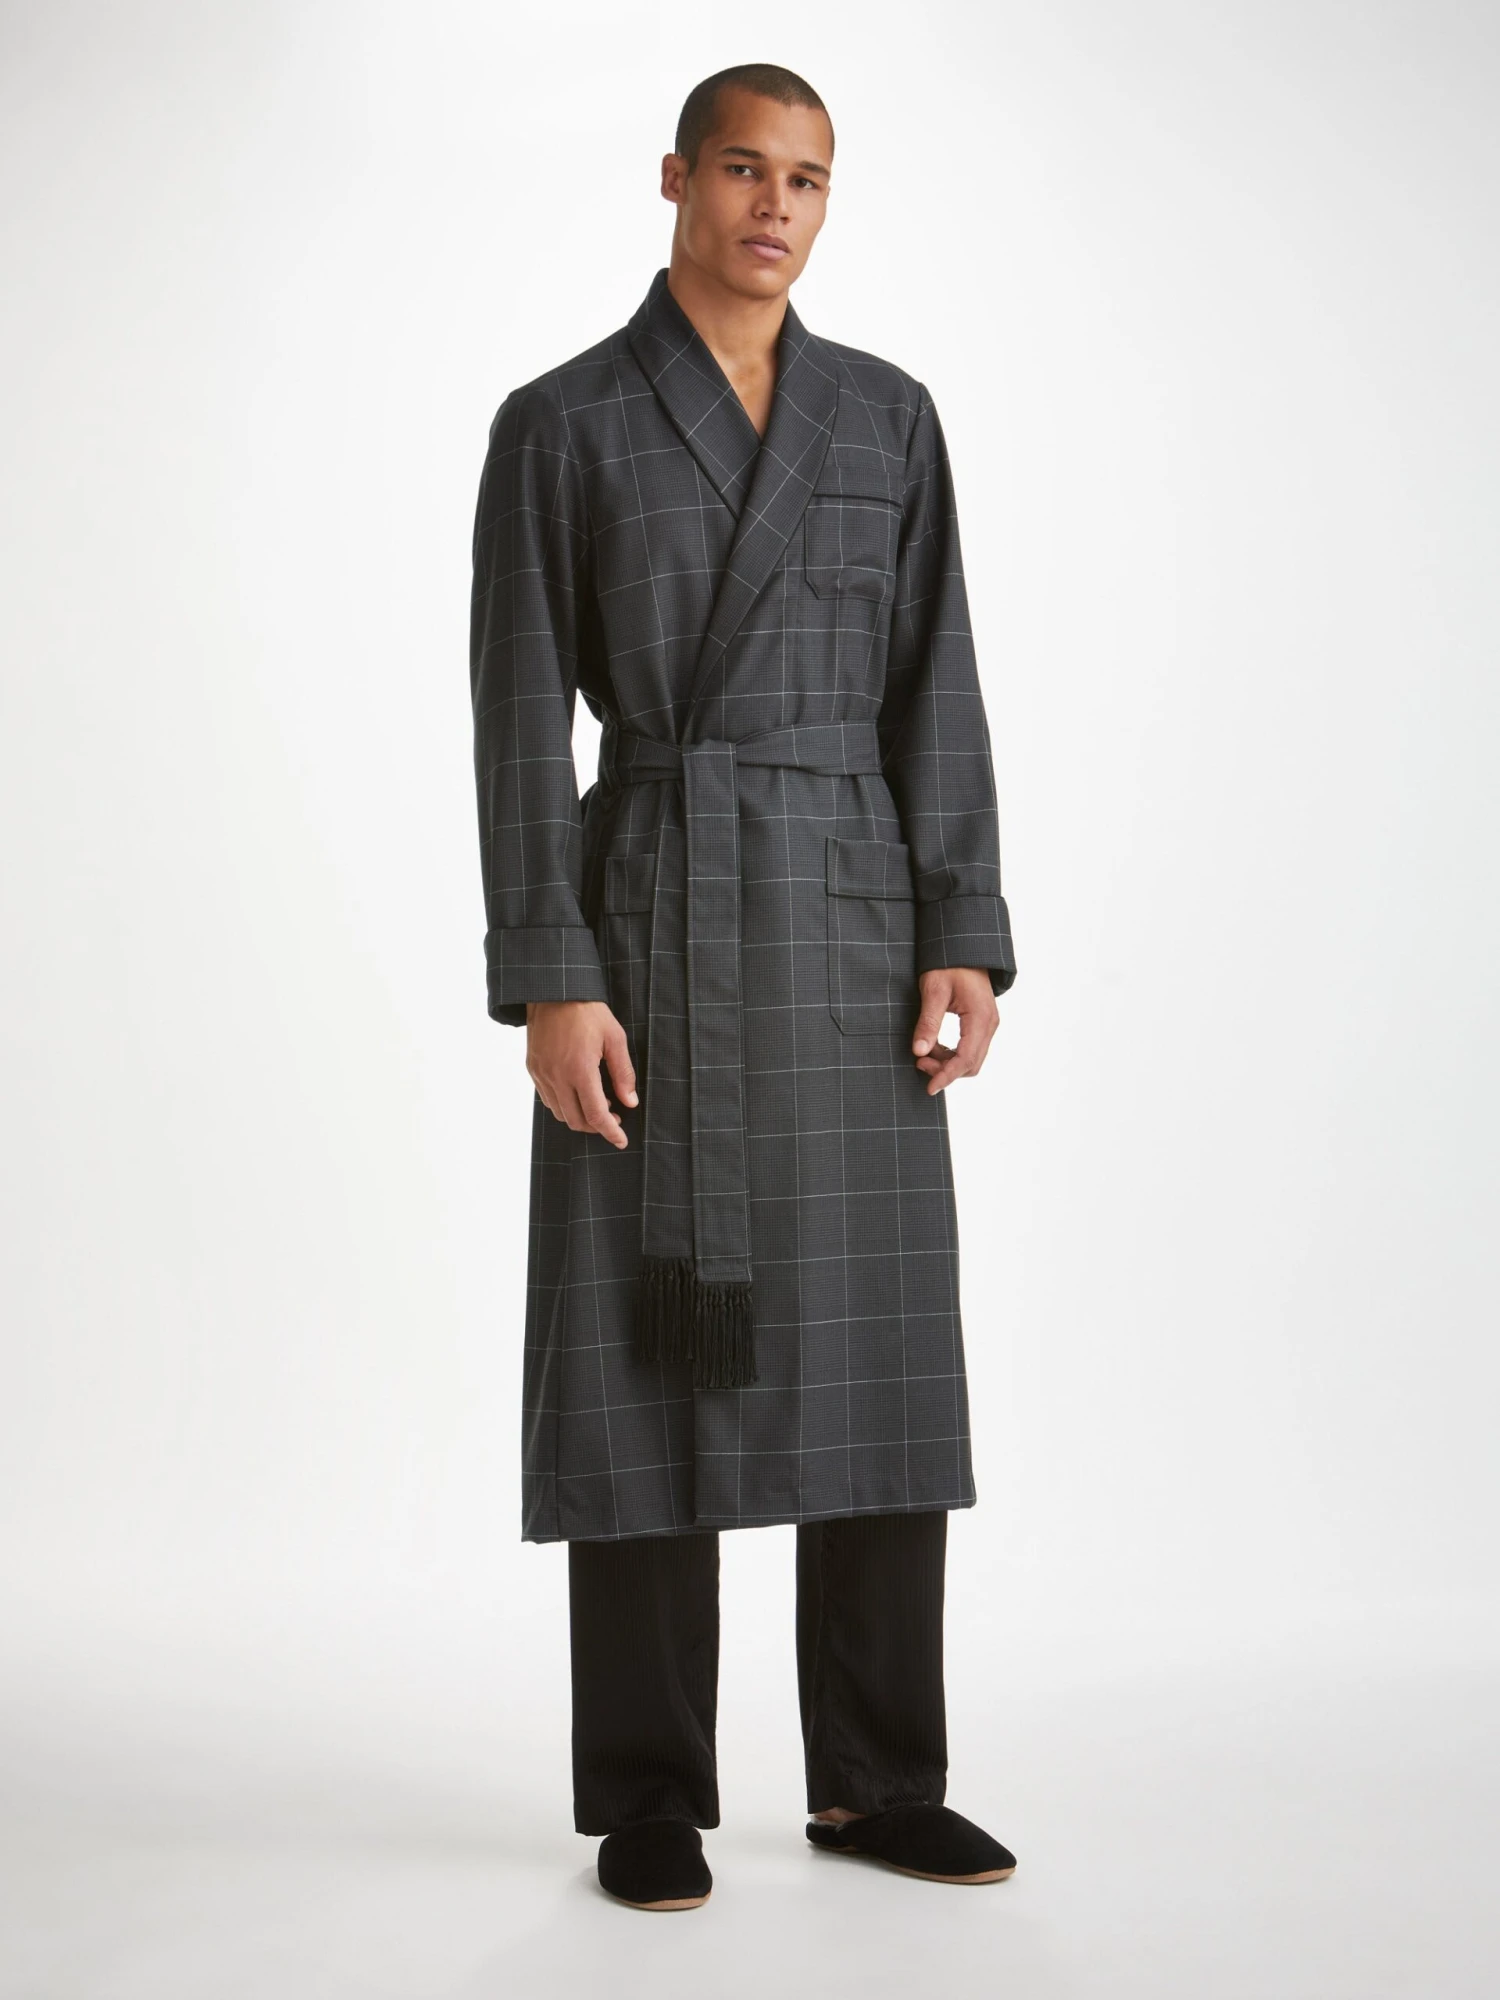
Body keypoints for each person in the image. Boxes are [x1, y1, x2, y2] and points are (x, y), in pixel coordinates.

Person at [468, 62, 1019, 1911]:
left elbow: (937, 681)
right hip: (652, 926)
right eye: (743, 169)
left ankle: (879, 1781)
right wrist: (552, 972)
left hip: (851, 928)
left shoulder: (889, 417)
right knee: (644, 1363)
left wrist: (962, 925)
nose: (775, 206)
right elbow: (516, 718)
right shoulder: (562, 422)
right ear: (676, 180)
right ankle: (649, 1792)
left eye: (808, 179)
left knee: (872, 1353)